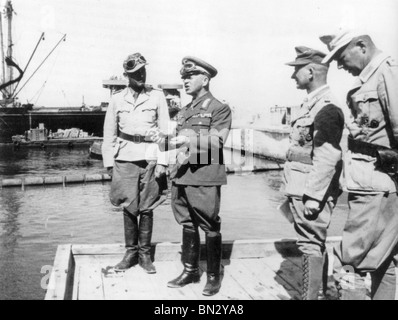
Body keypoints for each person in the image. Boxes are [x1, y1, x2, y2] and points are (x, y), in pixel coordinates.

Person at [319, 29, 398, 300]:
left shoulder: (387, 72)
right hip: (375, 182)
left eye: (342, 56)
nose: (340, 65)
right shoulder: (370, 78)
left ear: (361, 46)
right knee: (384, 260)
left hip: (376, 185)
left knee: (348, 263)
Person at [156, 56, 232, 296]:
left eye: (190, 76)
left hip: (204, 175)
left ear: (205, 79)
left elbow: (217, 141)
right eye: (184, 77)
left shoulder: (219, 108)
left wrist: (186, 139)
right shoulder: (184, 110)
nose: (185, 81)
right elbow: (176, 140)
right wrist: (163, 141)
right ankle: (190, 270)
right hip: (181, 175)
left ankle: (212, 276)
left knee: (209, 224)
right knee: (187, 223)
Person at [282, 46, 345, 300]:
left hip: (309, 188)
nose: (292, 77)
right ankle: (318, 294)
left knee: (310, 244)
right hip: (299, 185)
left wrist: (314, 196)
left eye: (296, 71)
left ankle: (312, 298)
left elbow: (328, 156)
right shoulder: (311, 103)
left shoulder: (327, 108)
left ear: (310, 71)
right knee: (313, 241)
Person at [102, 53, 170, 274]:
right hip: (125, 157)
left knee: (148, 206)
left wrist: (162, 162)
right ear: (126, 75)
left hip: (150, 156)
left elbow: (164, 131)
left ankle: (145, 255)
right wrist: (109, 163)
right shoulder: (116, 99)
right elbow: (109, 134)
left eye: (143, 71)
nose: (141, 75)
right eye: (135, 73)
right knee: (128, 206)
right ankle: (130, 253)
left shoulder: (157, 97)